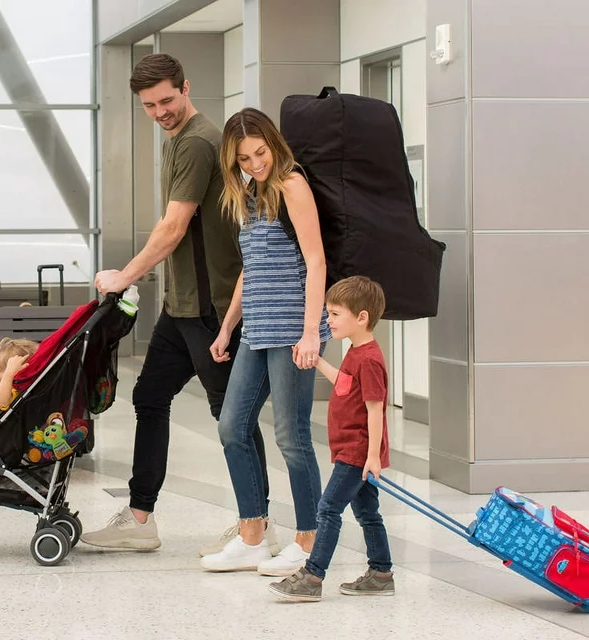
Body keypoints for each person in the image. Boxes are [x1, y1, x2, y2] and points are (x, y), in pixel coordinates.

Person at [81, 54, 275, 553]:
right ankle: (141, 519)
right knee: (150, 397)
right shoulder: (177, 139)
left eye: (167, 100)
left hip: (212, 307)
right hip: (182, 302)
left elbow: (173, 227)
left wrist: (124, 275)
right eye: (150, 105)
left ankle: (257, 525)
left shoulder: (196, 142)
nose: (160, 111)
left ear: (186, 88)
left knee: (232, 416)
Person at [200, 108, 330, 575]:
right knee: (232, 426)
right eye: (244, 158)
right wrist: (228, 326)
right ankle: (253, 535)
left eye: (260, 153)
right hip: (257, 327)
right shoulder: (249, 194)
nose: (255, 163)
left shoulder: (292, 185)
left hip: (294, 328)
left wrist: (312, 330)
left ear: (273, 144)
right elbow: (251, 268)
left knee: (292, 437)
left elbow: (316, 262)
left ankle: (309, 540)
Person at [268, 275, 394, 602]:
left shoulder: (369, 360)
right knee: (367, 513)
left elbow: (376, 409)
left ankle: (312, 576)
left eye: (335, 314)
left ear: (361, 317)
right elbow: (345, 385)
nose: (328, 320)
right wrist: (317, 361)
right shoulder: (357, 351)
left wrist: (373, 457)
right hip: (352, 451)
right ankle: (381, 572)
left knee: (327, 510)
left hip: (357, 453)